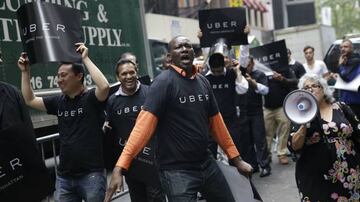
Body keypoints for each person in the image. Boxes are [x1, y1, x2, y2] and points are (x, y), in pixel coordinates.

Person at [104, 36, 253, 202]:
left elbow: (217, 124)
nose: (184, 49)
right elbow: (141, 129)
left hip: (206, 163)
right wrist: (120, 168)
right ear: (169, 57)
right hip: (176, 172)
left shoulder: (203, 82)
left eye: (187, 46)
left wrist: (237, 159)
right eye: (178, 47)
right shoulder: (163, 83)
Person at [18, 43, 110, 202]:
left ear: (79, 76)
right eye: (58, 76)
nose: (59, 80)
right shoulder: (58, 101)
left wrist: (85, 59)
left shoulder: (91, 100)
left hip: (92, 175)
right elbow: (29, 99)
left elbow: (104, 86)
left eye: (63, 75)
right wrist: (26, 72)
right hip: (65, 178)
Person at [288, 73, 360, 201]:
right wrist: (305, 121)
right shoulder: (299, 114)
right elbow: (294, 146)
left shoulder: (341, 107)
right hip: (316, 175)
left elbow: (357, 131)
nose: (310, 89)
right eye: (306, 88)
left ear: (323, 89)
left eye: (314, 85)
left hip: (349, 172)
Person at [104, 58, 165, 202]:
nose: (129, 76)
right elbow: (111, 130)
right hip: (131, 165)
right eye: (124, 74)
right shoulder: (112, 101)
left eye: (132, 72)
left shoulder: (151, 93)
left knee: (156, 198)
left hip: (154, 163)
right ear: (118, 77)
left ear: (137, 72)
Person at [204, 26, 249, 161]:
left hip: (231, 121)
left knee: (236, 154)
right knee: (211, 156)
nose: (217, 74)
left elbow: (243, 89)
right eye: (215, 71)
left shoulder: (231, 74)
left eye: (219, 71)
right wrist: (202, 38)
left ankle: (243, 180)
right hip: (211, 123)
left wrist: (238, 73)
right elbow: (207, 51)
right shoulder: (205, 78)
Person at [264, 63, 297, 165]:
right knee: (267, 132)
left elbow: (295, 81)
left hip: (282, 106)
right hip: (267, 107)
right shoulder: (263, 70)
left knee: (284, 130)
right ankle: (267, 154)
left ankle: (281, 153)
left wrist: (282, 79)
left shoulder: (285, 69)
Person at [244, 56, 271, 177]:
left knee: (260, 139)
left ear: (252, 63)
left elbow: (265, 90)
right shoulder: (238, 74)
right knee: (247, 140)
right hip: (243, 111)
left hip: (256, 111)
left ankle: (265, 165)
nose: (247, 67)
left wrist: (252, 82)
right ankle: (253, 165)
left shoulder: (259, 74)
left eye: (248, 65)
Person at [338, 39, 360, 118]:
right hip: (344, 102)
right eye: (341, 47)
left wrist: (339, 66)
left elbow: (348, 80)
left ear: (351, 48)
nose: (343, 49)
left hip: (356, 102)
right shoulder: (343, 63)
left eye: (346, 47)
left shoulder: (357, 62)